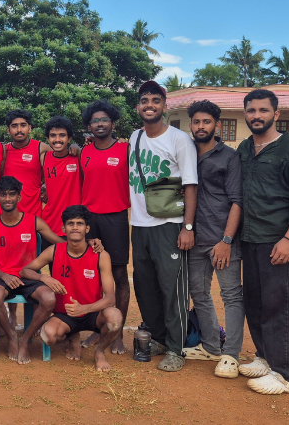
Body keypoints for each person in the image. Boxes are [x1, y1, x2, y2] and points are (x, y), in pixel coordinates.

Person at [237, 89, 289, 395]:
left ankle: (287, 374)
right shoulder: (245, 148)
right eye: (251, 110)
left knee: (281, 305)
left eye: (263, 110)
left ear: (276, 114)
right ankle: (266, 357)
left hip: (281, 241)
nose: (257, 115)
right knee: (255, 303)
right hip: (251, 239)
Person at [128, 81, 198, 372]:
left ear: (164, 106)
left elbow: (191, 185)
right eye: (145, 100)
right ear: (138, 107)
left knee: (173, 289)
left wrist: (188, 227)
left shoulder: (179, 140)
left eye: (156, 100)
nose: (150, 105)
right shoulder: (134, 137)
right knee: (145, 287)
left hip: (170, 224)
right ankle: (157, 337)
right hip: (139, 224)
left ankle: (176, 347)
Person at [180, 100, 245, 379]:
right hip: (195, 237)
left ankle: (231, 354)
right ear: (190, 124)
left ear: (217, 125)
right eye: (196, 122)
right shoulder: (186, 152)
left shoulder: (228, 157)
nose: (201, 126)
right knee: (199, 293)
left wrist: (227, 240)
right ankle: (210, 346)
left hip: (223, 240)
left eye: (206, 122)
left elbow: (237, 201)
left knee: (231, 295)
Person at [22, 205, 121, 371]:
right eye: (70, 223)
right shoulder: (54, 251)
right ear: (63, 228)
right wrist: (44, 277)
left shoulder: (101, 255)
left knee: (115, 317)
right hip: (65, 314)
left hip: (93, 313)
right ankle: (72, 337)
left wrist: (83, 308)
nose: (75, 227)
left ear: (87, 228)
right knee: (48, 336)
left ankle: (99, 352)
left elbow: (111, 298)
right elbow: (25, 270)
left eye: (80, 223)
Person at [0, 176, 62, 365]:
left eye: (12, 195)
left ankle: (25, 339)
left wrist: (88, 242)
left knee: (49, 298)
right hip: (2, 276)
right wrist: (4, 276)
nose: (8, 199)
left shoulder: (34, 222)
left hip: (29, 276)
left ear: (19, 197)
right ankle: (12, 336)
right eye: (3, 195)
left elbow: (61, 244)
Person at [77, 99, 131, 355]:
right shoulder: (83, 152)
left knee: (119, 276)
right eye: (95, 120)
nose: (99, 124)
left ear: (113, 123)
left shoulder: (126, 149)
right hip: (91, 220)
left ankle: (116, 334)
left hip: (116, 218)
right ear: (89, 125)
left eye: (104, 120)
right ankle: (98, 330)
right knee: (94, 277)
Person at [41, 116, 81, 246]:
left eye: (62, 135)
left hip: (73, 223)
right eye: (53, 135)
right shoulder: (43, 158)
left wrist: (77, 147)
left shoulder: (78, 157)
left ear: (69, 138)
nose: (57, 139)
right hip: (49, 223)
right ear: (48, 138)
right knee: (52, 265)